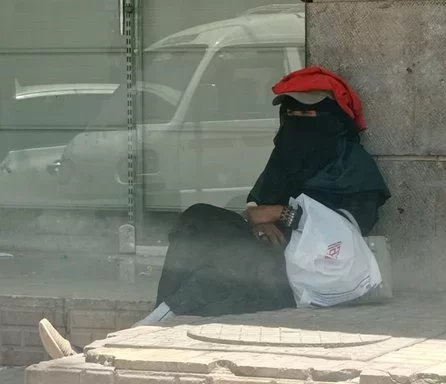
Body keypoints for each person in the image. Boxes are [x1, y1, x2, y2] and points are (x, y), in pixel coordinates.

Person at [37, 66, 391, 359]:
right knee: (198, 220)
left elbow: (346, 236)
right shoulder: (285, 156)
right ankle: (141, 329)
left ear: (333, 120)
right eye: (292, 113)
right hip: (264, 254)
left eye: (309, 113)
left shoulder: (353, 168)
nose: (299, 120)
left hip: (303, 282)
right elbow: (256, 210)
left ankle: (106, 350)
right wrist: (258, 221)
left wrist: (282, 214)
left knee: (223, 268)